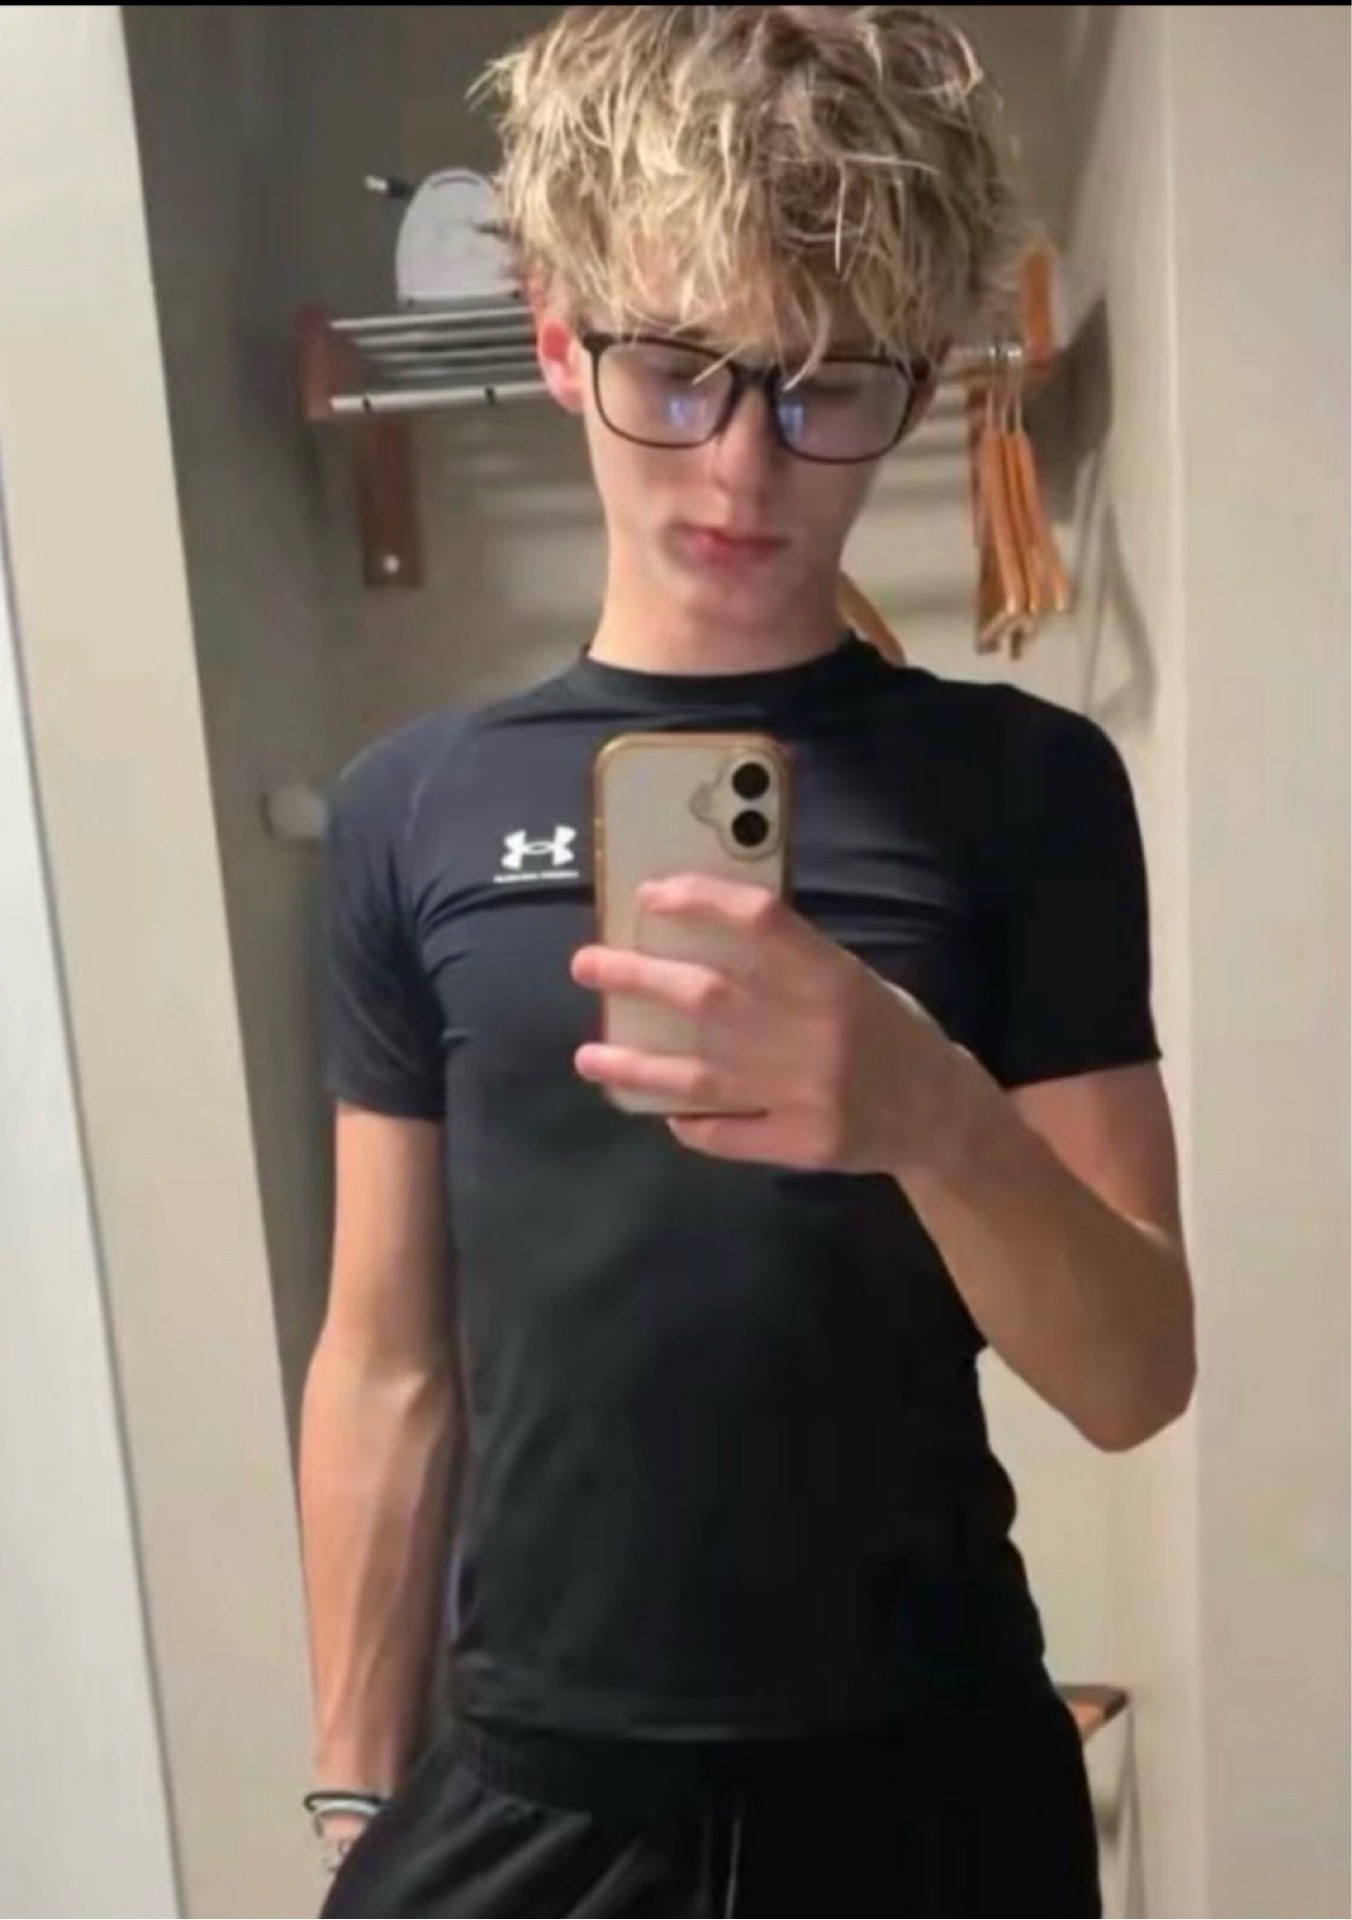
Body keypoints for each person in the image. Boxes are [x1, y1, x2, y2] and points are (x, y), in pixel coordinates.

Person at [299, 7, 1196, 1915]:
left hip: (928, 1799)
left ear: (917, 385)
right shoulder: (407, 809)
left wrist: (931, 1113)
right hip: (526, 1798)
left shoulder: (1027, 790)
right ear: (560, 339)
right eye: (678, 370)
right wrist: (351, 1802)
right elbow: (384, 1358)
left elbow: (1134, 1374)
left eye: (824, 388)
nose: (743, 465)